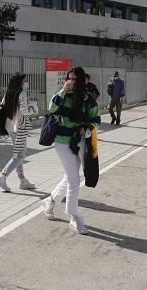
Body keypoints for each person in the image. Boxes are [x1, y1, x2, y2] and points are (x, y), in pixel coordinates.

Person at [43, 67, 101, 234]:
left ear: (82, 81)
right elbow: (51, 109)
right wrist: (62, 91)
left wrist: (87, 128)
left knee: (69, 178)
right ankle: (74, 216)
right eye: (70, 78)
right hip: (62, 142)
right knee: (74, 181)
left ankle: (50, 201)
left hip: (80, 141)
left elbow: (96, 120)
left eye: (75, 79)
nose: (72, 82)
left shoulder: (88, 98)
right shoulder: (63, 95)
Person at [0, 73, 36, 192]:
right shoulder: (21, 93)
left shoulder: (8, 93)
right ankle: (3, 176)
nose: (26, 83)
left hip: (10, 126)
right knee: (20, 155)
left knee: (18, 152)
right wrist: (32, 109)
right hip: (19, 127)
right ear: (20, 82)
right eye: (25, 81)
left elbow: (2, 106)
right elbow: (23, 109)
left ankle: (22, 180)